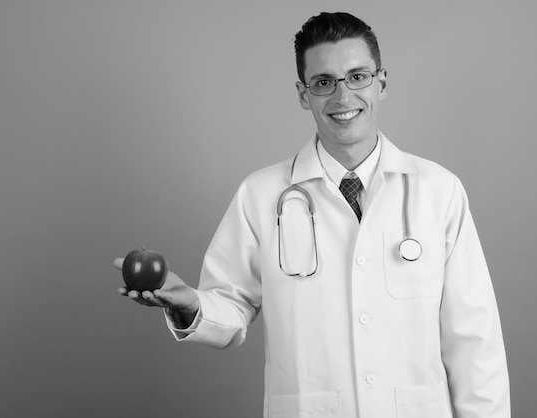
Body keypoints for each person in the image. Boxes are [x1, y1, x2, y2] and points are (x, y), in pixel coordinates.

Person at [115, 12, 510, 418]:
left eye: (358, 76)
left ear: (382, 82)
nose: (343, 97)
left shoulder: (438, 191)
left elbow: (474, 341)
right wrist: (191, 305)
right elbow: (231, 307)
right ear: (304, 94)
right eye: (324, 82)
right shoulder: (261, 194)